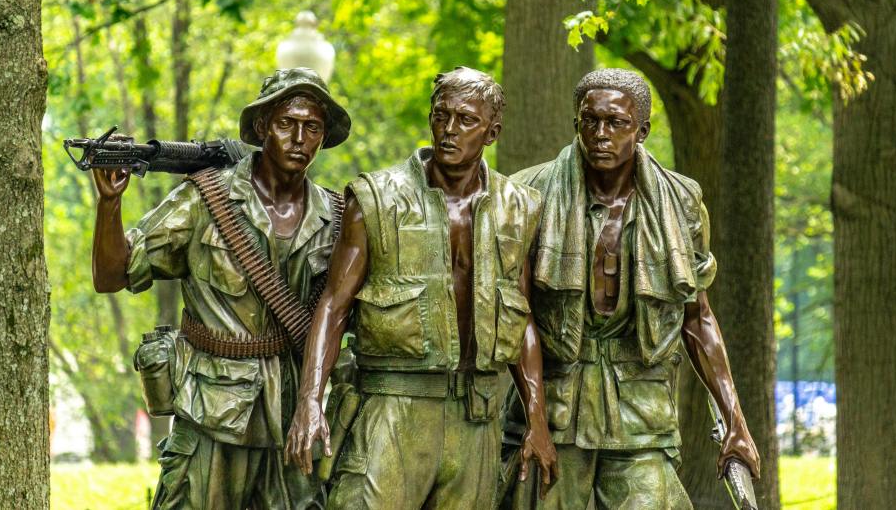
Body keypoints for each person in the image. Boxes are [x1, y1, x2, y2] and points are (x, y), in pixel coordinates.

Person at [285, 67, 558, 510]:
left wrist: (536, 417)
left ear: (492, 132)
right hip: (392, 406)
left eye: (466, 120)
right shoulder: (376, 199)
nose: (450, 129)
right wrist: (310, 401)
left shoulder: (519, 208)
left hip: (475, 417)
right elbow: (334, 306)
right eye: (441, 115)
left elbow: (520, 315)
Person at [91, 68, 351, 509]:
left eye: (312, 128)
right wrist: (109, 204)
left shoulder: (338, 216)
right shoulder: (205, 199)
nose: (299, 139)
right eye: (287, 123)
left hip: (295, 416)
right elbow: (112, 275)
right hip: (212, 412)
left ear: (323, 137)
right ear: (262, 127)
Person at [500, 68, 760, 509]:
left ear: (641, 131)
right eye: (590, 121)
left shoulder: (681, 201)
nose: (601, 134)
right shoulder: (529, 194)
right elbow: (517, 312)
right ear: (576, 124)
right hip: (555, 404)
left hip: (641, 408)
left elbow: (697, 316)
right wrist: (535, 418)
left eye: (616, 123)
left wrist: (735, 418)